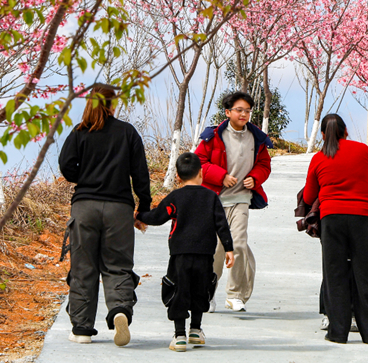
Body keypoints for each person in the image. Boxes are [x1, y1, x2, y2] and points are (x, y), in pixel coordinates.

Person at [59, 83, 151, 346]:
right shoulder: (127, 132)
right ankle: (120, 310)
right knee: (117, 265)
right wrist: (142, 208)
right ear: (111, 104)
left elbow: (66, 167)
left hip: (85, 206)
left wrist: (85, 176)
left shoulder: (79, 133)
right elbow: (140, 174)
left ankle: (81, 329)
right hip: (119, 209)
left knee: (83, 268)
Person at [303, 114, 368, 344]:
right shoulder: (362, 150)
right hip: (363, 218)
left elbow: (309, 196)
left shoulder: (319, 158)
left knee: (335, 274)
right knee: (366, 274)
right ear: (346, 132)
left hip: (332, 219)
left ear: (322, 135)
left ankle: (338, 332)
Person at [137, 152, 234, 351]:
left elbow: (158, 216)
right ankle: (196, 330)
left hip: (180, 253)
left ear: (178, 177)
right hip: (205, 253)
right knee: (201, 289)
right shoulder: (211, 197)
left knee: (178, 290)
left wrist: (139, 216)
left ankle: (179, 335)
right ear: (201, 173)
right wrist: (229, 249)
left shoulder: (176, 197)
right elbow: (222, 224)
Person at [195, 91, 272, 312]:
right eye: (239, 110)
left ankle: (235, 294)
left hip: (241, 200)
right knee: (216, 249)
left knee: (237, 243)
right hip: (215, 201)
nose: (244, 114)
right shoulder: (213, 136)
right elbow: (199, 161)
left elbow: (265, 165)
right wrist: (221, 177)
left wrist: (255, 178)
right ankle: (207, 294)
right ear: (228, 112)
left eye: (247, 110)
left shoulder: (257, 137)